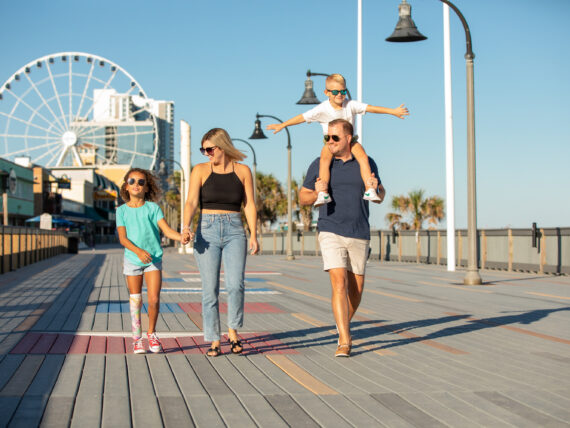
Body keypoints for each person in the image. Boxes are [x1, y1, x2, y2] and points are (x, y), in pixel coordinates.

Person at [299, 119, 385, 358]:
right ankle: (345, 341)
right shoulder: (320, 163)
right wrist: (317, 191)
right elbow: (303, 197)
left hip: (359, 230)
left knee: (356, 291)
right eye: (327, 137)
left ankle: (341, 325)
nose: (330, 142)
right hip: (330, 229)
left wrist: (376, 189)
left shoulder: (366, 162)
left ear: (349, 138)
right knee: (339, 284)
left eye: (335, 138)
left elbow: (380, 195)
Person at [267, 73, 404, 207]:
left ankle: (369, 190)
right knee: (324, 160)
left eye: (343, 91)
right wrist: (282, 125)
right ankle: (323, 193)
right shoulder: (322, 109)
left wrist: (393, 111)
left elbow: (371, 108)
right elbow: (302, 117)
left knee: (363, 157)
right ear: (327, 92)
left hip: (351, 141)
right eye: (335, 92)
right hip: (331, 142)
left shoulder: (350, 105)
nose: (339, 94)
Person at [182, 128, 259, 357]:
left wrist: (254, 234)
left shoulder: (243, 171)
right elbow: (190, 202)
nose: (206, 154)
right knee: (210, 290)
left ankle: (233, 331)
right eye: (203, 149)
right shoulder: (200, 171)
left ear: (222, 147)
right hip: (207, 230)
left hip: (235, 229)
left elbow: (250, 205)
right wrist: (186, 227)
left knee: (236, 285)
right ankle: (214, 339)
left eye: (209, 149)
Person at [116, 168, 183, 354]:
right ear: (126, 186)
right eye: (132, 181)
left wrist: (182, 238)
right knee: (135, 300)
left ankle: (152, 333)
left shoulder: (153, 208)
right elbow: (122, 239)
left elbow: (167, 231)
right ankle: (137, 339)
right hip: (132, 258)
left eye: (141, 182)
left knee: (153, 299)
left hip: (153, 259)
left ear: (147, 187)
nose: (136, 185)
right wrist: (138, 252)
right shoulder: (121, 211)